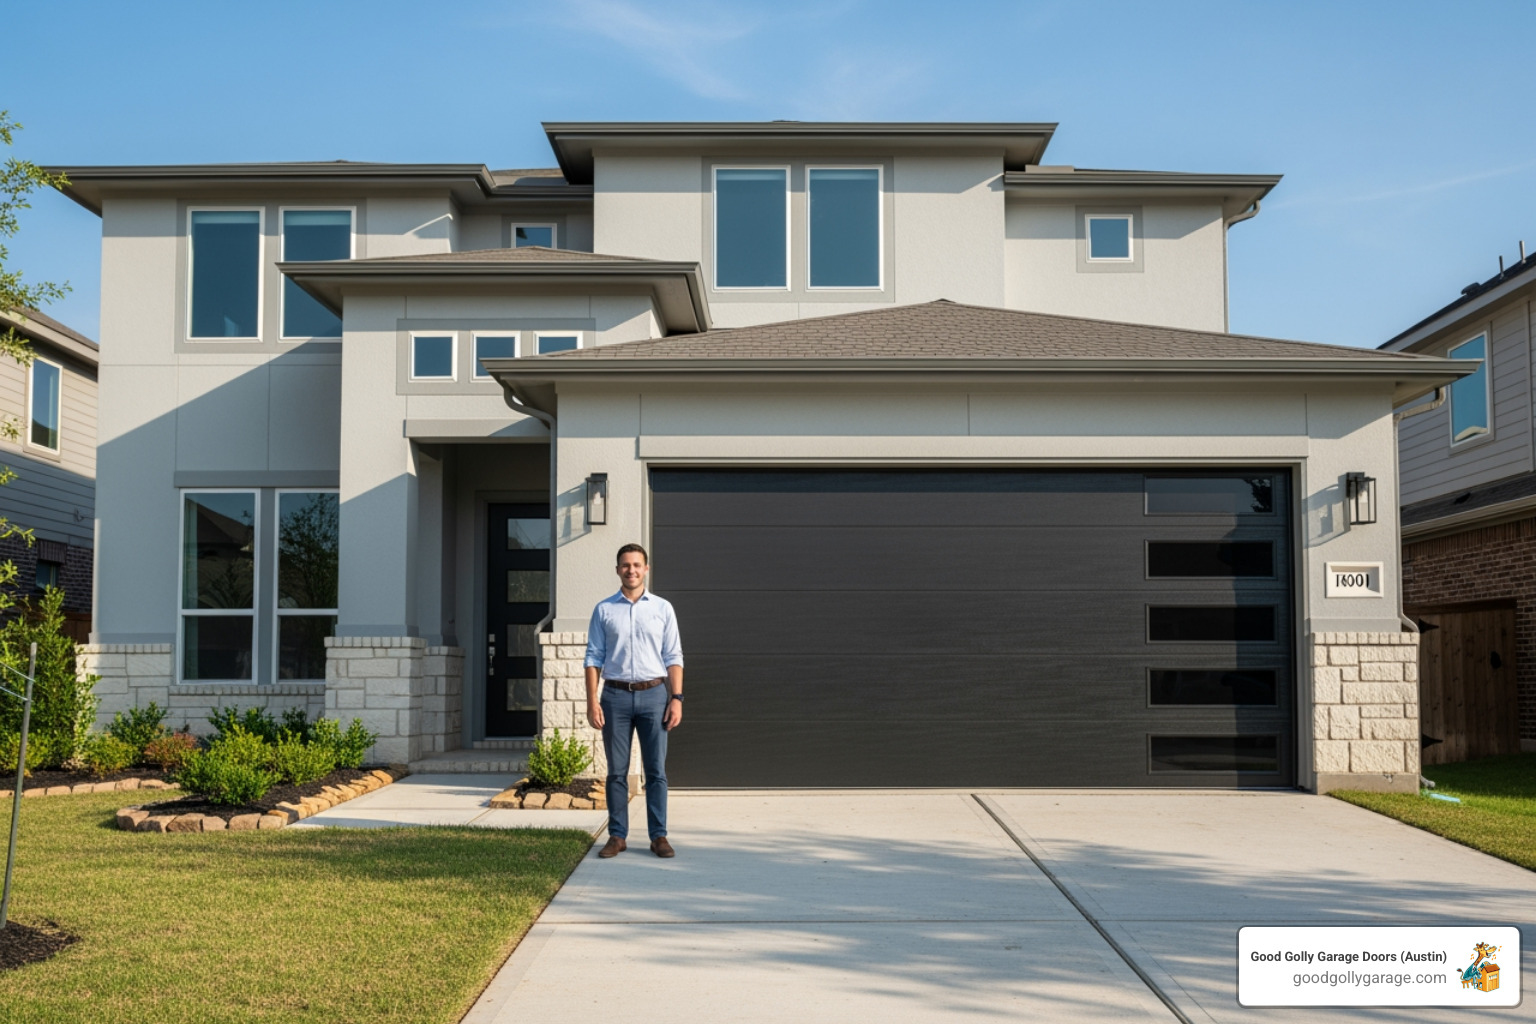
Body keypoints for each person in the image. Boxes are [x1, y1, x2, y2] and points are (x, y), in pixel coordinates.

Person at [584, 542, 684, 858]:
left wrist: (676, 698)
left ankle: (659, 836)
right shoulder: (603, 610)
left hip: (655, 696)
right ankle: (617, 836)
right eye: (626, 565)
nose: (631, 570)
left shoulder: (663, 609)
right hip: (614, 697)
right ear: (618, 570)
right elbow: (593, 657)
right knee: (617, 772)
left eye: (637, 565)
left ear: (646, 569)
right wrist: (592, 701)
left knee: (656, 771)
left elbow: (673, 655)